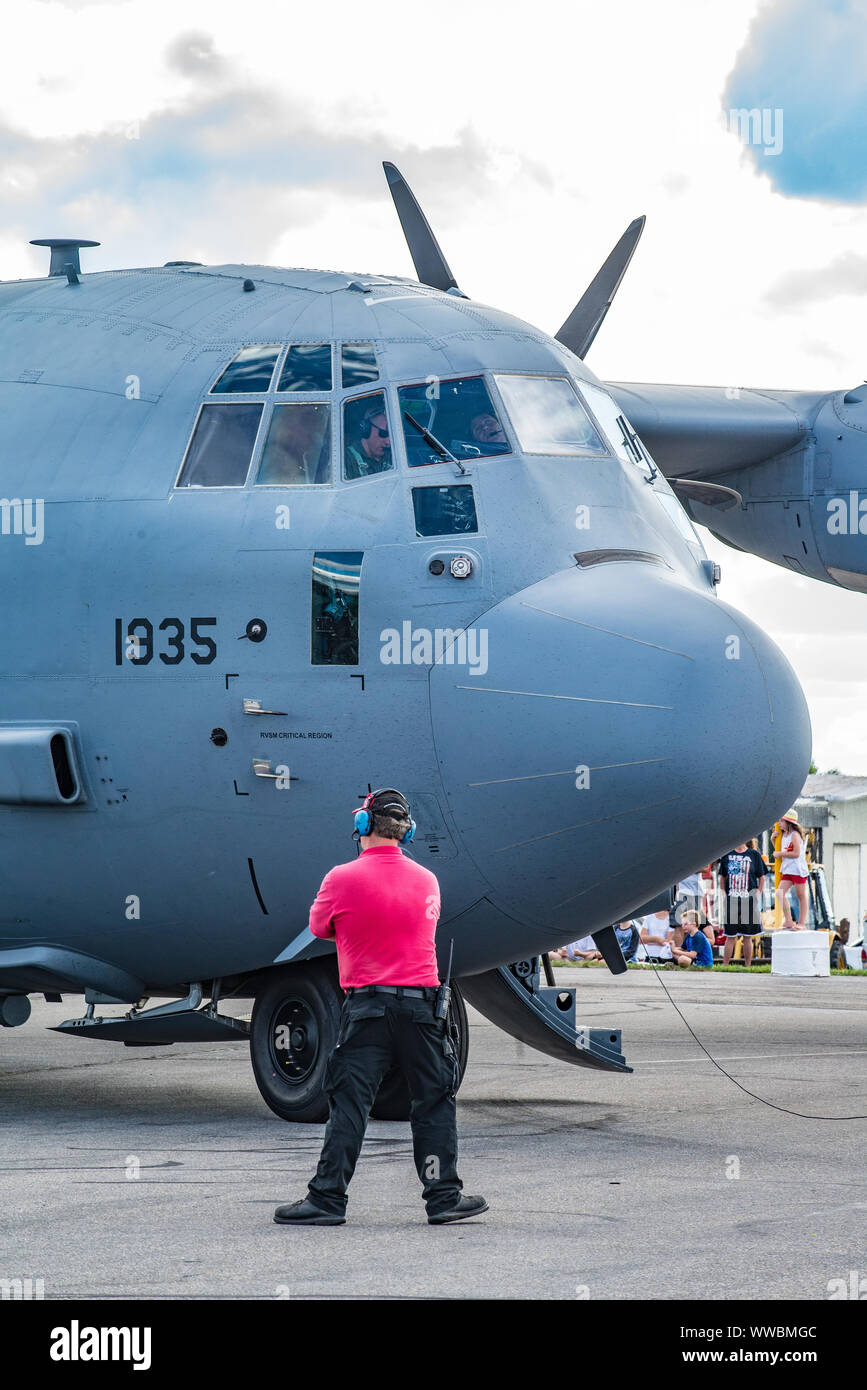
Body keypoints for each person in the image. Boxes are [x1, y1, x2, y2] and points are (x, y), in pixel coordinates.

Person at [274, 788, 487, 1227]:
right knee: (432, 1102)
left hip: (367, 1007)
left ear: (362, 827)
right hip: (423, 1009)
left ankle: (327, 1199)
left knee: (350, 1103)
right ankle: (443, 1197)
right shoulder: (427, 880)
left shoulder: (341, 878)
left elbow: (320, 927)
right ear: (405, 833)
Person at [718, 841, 769, 967]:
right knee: (730, 935)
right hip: (733, 898)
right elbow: (723, 876)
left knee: (748, 935)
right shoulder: (728, 854)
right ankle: (725, 965)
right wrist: (723, 892)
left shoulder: (754, 855)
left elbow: (762, 876)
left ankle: (748, 965)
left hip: (748, 898)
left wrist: (758, 892)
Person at [774, 811, 810, 930]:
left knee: (801, 895)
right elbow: (782, 852)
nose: (779, 824)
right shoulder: (784, 835)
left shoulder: (794, 835)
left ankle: (801, 923)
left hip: (797, 869)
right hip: (788, 869)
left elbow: (796, 853)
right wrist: (773, 841)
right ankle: (788, 920)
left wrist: (779, 853)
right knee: (780, 892)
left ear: (789, 822)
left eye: (781, 821)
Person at [344, 400, 392, 478]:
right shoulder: (347, 460)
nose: (388, 442)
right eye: (383, 433)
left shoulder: (391, 455)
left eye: (391, 435)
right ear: (366, 429)